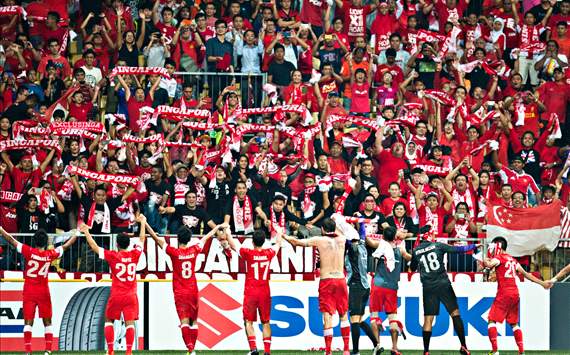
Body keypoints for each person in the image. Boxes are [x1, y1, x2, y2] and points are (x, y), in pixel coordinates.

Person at [145, 222, 226, 355]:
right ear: (189, 239)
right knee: (194, 321)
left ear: (178, 238)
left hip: (180, 291)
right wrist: (216, 227)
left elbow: (156, 238)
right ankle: (192, 350)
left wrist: (146, 224)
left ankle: (190, 349)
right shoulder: (194, 250)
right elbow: (206, 237)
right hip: (193, 290)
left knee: (184, 321)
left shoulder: (174, 253)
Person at [0, 227, 77, 355]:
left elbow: (11, 240)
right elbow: (66, 246)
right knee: (47, 321)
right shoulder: (49, 254)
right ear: (46, 243)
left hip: (29, 290)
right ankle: (48, 350)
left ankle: (28, 350)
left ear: (34, 241)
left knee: (28, 322)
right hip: (43, 291)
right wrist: (78, 233)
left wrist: (1, 229)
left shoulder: (28, 251)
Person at [80, 214, 147, 355]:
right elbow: (142, 240)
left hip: (116, 294)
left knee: (109, 320)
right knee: (130, 323)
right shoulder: (135, 254)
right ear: (128, 244)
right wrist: (142, 223)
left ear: (117, 244)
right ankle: (129, 351)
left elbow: (94, 246)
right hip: (131, 295)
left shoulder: (112, 256)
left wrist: (86, 231)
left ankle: (110, 350)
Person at [283, 218, 350, 355]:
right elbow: (341, 232)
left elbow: (296, 242)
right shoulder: (342, 239)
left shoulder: (320, 240)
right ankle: (347, 349)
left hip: (327, 280)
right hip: (341, 279)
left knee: (327, 315)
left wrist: (283, 235)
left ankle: (328, 351)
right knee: (343, 314)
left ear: (323, 229)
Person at [410, 236, 478, 355]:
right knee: (455, 314)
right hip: (443, 284)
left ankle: (426, 351)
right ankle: (464, 346)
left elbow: (412, 268)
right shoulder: (438, 245)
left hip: (428, 287)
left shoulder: (416, 251)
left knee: (428, 319)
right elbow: (458, 250)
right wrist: (474, 246)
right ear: (430, 236)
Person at [484, 236, 552, 355]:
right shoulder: (512, 260)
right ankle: (521, 351)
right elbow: (527, 274)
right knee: (514, 323)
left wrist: (485, 259)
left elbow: (489, 265)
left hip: (504, 293)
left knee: (491, 320)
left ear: (497, 246)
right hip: (515, 293)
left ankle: (494, 351)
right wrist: (542, 283)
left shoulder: (498, 258)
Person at [225, 227, 283, 355]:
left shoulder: (248, 253)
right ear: (264, 241)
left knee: (248, 321)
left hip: (251, 291)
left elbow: (233, 244)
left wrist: (228, 232)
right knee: (266, 321)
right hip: (264, 291)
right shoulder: (269, 253)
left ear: (253, 242)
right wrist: (279, 232)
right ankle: (267, 352)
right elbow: (278, 243)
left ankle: (253, 349)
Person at [367, 226, 411, 355]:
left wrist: (366, 230)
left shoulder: (381, 245)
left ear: (384, 236)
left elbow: (368, 241)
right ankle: (395, 347)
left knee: (374, 316)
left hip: (378, 284)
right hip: (392, 286)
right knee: (393, 317)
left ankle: (377, 345)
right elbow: (409, 257)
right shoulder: (400, 248)